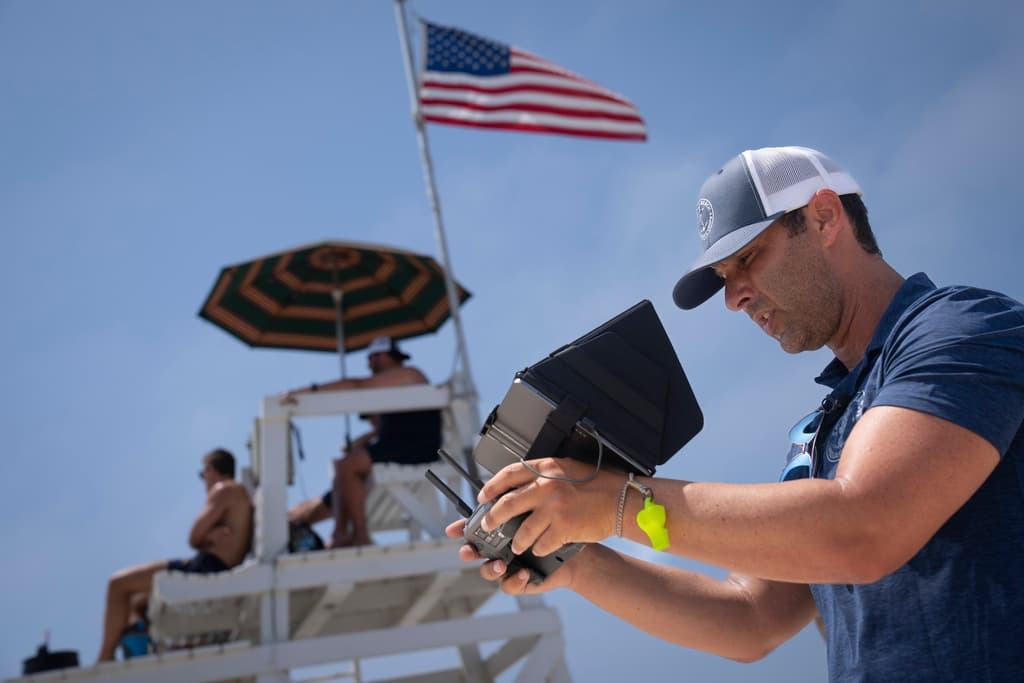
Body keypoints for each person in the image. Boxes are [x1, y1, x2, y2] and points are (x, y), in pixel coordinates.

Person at [448, 146, 1024, 681]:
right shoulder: (823, 427)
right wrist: (575, 558)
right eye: (725, 277)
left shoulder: (963, 328)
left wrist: (615, 503)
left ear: (825, 217)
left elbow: (864, 528)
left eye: (748, 258)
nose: (734, 298)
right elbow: (750, 618)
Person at [284, 336, 442, 548]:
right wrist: (364, 440)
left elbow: (358, 385)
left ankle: (355, 536)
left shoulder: (409, 374)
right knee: (339, 472)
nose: (368, 366)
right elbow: (384, 429)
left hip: (415, 448)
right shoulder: (398, 384)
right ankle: (333, 532)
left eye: (370, 359)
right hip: (399, 448)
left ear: (381, 356)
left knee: (347, 466)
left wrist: (307, 391)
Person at [97, 448, 252, 662]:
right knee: (136, 601)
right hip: (216, 567)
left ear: (211, 470)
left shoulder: (223, 489)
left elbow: (193, 537)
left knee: (118, 584)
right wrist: (211, 535)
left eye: (203, 474)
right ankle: (139, 657)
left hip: (206, 568)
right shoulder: (239, 495)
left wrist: (205, 536)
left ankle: (105, 658)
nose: (204, 481)